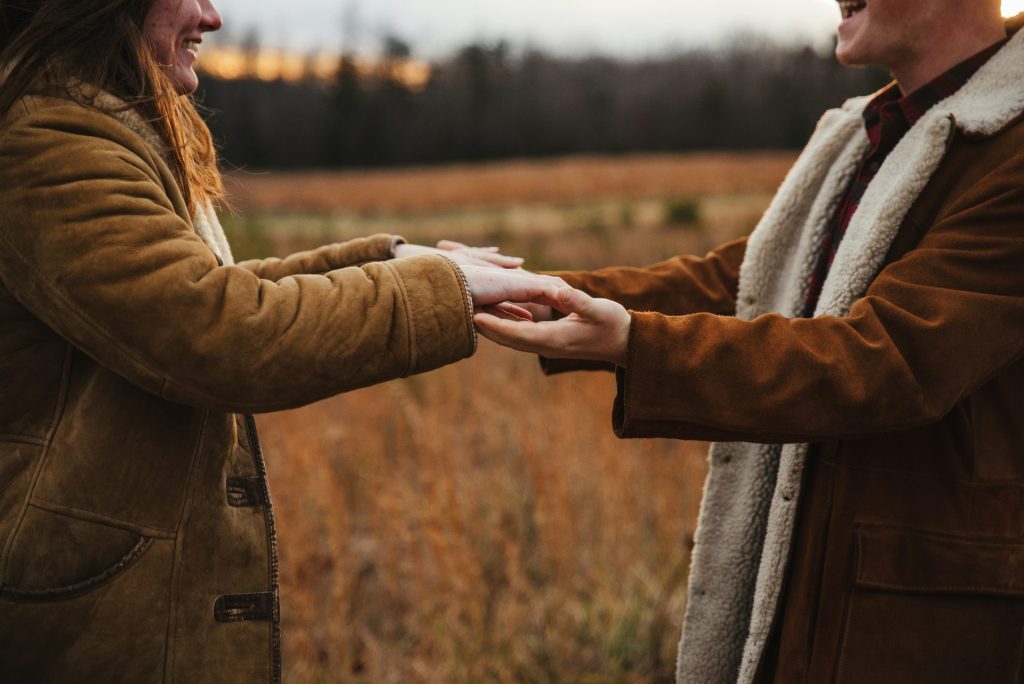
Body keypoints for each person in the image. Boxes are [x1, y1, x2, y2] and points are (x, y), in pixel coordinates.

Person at [0, 1, 562, 682]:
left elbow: (207, 290)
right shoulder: (49, 135)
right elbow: (220, 333)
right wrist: (440, 289)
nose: (212, 16)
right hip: (80, 623)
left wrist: (399, 263)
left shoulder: (85, 120)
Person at [476, 2, 1024, 683]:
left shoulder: (1014, 155)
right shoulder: (870, 132)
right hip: (807, 585)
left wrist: (637, 345)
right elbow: (747, 281)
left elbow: (884, 359)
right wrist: (528, 289)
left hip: (922, 625)